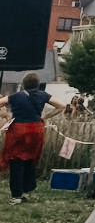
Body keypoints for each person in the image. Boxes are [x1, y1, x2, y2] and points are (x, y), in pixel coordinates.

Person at [0, 73, 66, 204]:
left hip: (18, 129)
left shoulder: (16, 96)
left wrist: (5, 115)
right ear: (37, 84)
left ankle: (16, 195)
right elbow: (62, 106)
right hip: (36, 129)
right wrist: (46, 116)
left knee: (16, 160)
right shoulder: (43, 95)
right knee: (30, 159)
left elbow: (1, 103)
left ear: (24, 84)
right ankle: (27, 190)